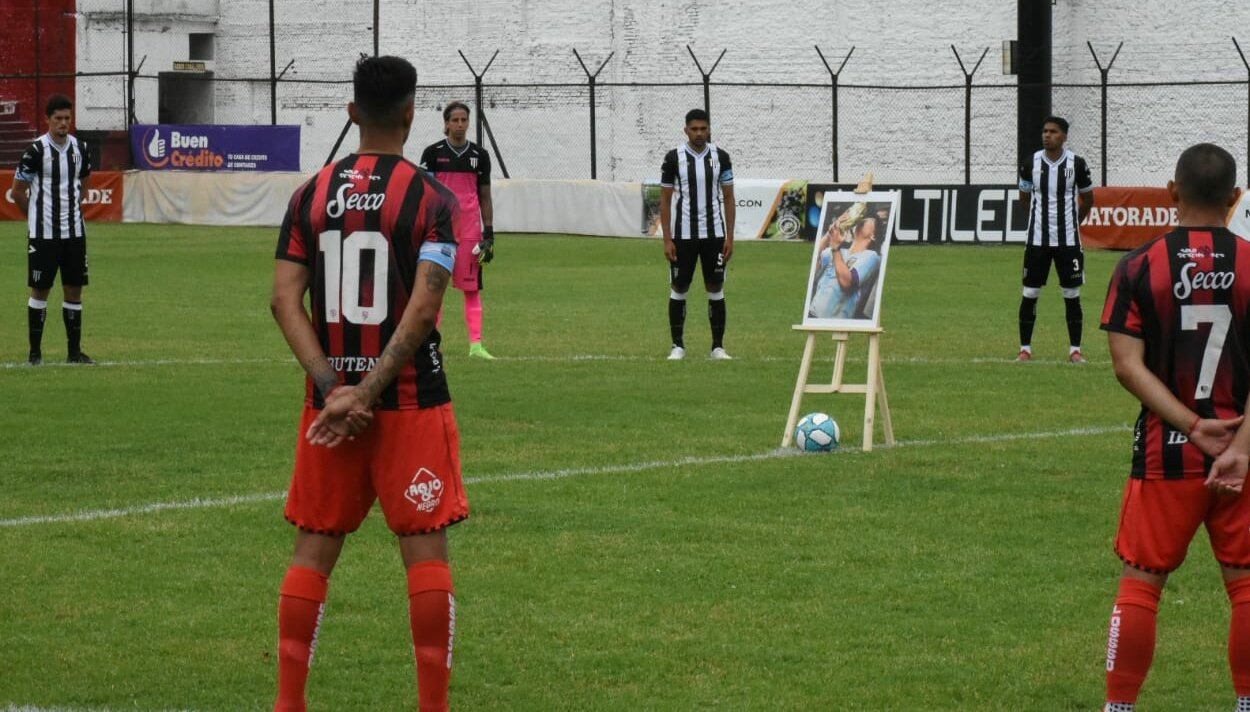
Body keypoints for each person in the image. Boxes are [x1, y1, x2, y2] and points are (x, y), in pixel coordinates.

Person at [270, 55, 468, 712]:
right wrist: (371, 390)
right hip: (410, 402)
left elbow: (283, 300)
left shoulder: (309, 194)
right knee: (424, 548)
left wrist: (335, 388)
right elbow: (426, 306)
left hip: (328, 410)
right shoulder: (433, 200)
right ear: (412, 113)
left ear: (351, 112)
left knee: (314, 547)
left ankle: (289, 704)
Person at [1098, 143, 1250, 712]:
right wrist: (1240, 446)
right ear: (1234, 199)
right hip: (1243, 455)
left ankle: (1120, 708)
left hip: (1168, 455)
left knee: (1141, 585)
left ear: (1171, 192)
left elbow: (1125, 365)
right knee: (1245, 584)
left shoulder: (1138, 266)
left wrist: (1190, 424)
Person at [10, 94, 94, 365]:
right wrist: (35, 217)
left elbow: (85, 183)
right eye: (58, 119)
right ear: (47, 120)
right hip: (43, 235)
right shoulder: (34, 151)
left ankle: (74, 353)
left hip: (75, 234)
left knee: (74, 290)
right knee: (40, 290)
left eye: (67, 118)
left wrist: (73, 210)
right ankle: (35, 355)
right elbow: (17, 191)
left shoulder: (80, 148)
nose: (63, 123)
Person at [419, 101, 496, 360]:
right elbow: (424, 195)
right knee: (435, 289)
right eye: (455, 120)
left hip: (471, 232)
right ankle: (432, 345)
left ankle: (476, 346)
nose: (460, 125)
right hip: (440, 232)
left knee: (472, 289)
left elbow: (485, 195)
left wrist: (489, 233)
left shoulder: (480, 156)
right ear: (446, 123)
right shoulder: (432, 153)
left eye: (464, 120)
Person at [1017, 115, 1095, 363]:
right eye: (1044, 131)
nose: (1047, 135)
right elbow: (1024, 197)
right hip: (1037, 240)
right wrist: (1038, 220)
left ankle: (1075, 350)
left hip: (1068, 242)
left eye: (1052, 132)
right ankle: (1025, 349)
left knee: (1071, 294)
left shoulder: (1077, 164)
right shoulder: (1031, 163)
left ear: (1063, 137)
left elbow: (1088, 200)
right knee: (1030, 293)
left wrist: (1072, 223)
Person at [660, 108, 735, 360]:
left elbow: (728, 197)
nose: (699, 133)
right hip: (682, 236)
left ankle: (717, 347)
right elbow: (664, 200)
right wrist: (667, 238)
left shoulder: (721, 157)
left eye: (703, 128)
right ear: (686, 130)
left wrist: (730, 237)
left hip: (714, 235)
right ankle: (677, 346)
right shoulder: (673, 158)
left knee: (715, 286)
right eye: (694, 129)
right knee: (679, 286)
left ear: (709, 129)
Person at [808, 203, 881, 320]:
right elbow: (814, 259)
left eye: (869, 219)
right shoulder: (839, 251)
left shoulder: (872, 257)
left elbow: (846, 284)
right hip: (812, 314)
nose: (863, 220)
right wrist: (830, 233)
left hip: (836, 320)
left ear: (873, 236)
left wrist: (835, 248)